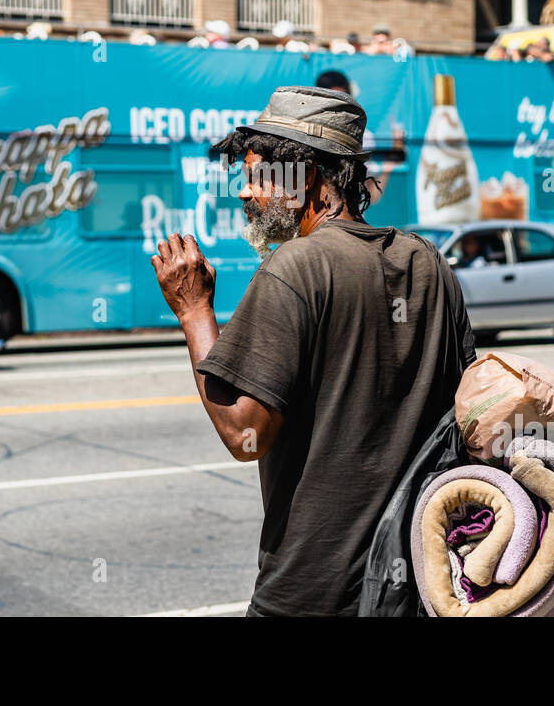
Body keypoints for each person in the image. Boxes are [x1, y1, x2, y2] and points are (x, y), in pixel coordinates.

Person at [149, 85, 476, 616]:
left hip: (311, 595)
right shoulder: (430, 264)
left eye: (259, 176)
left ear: (308, 176)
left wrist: (194, 312)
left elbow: (244, 433)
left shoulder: (295, 268)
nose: (247, 193)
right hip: (418, 586)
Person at [315, 70, 405, 205]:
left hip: (350, 222)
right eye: (332, 102)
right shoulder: (310, 135)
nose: (339, 109)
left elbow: (372, 196)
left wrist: (388, 166)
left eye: (343, 101)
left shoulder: (363, 136)